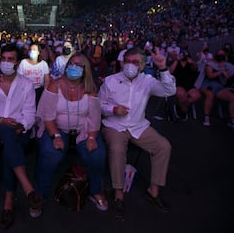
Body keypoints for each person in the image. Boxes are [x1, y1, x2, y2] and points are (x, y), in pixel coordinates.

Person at [99, 48, 176, 219]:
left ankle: (153, 190)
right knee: (117, 149)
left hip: (138, 126)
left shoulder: (148, 81)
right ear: (122, 62)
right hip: (115, 125)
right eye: (128, 61)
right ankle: (118, 193)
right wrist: (113, 109)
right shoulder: (110, 80)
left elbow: (169, 91)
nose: (130, 65)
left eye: (135, 62)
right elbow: (99, 105)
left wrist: (163, 68)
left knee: (164, 146)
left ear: (142, 65)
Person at [35, 52, 108, 214]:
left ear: (85, 70)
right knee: (50, 152)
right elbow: (47, 116)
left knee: (96, 154)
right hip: (57, 129)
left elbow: (95, 119)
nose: (74, 68)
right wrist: (56, 136)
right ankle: (40, 193)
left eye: (79, 66)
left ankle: (96, 190)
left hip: (83, 131)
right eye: (71, 65)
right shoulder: (55, 85)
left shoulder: (90, 90)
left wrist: (91, 137)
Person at [0, 44, 42, 229]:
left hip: (19, 130)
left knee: (10, 142)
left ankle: (8, 204)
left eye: (11, 59)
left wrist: (20, 126)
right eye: (4, 59)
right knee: (8, 135)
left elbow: (30, 114)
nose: (6, 62)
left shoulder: (26, 85)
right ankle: (27, 187)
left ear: (16, 62)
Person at [199, 49, 234, 128]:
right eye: (219, 54)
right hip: (207, 85)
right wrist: (221, 71)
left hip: (220, 87)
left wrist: (226, 73)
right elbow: (210, 75)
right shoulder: (210, 64)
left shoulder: (228, 66)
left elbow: (229, 76)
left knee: (232, 97)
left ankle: (232, 120)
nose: (220, 56)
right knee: (210, 94)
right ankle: (206, 117)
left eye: (222, 54)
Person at [169, 48, 201, 120]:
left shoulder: (190, 63)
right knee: (182, 94)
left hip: (188, 84)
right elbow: (170, 71)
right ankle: (183, 110)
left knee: (197, 96)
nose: (184, 55)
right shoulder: (176, 62)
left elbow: (195, 69)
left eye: (186, 54)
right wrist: (176, 60)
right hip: (177, 83)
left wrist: (192, 62)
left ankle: (181, 106)